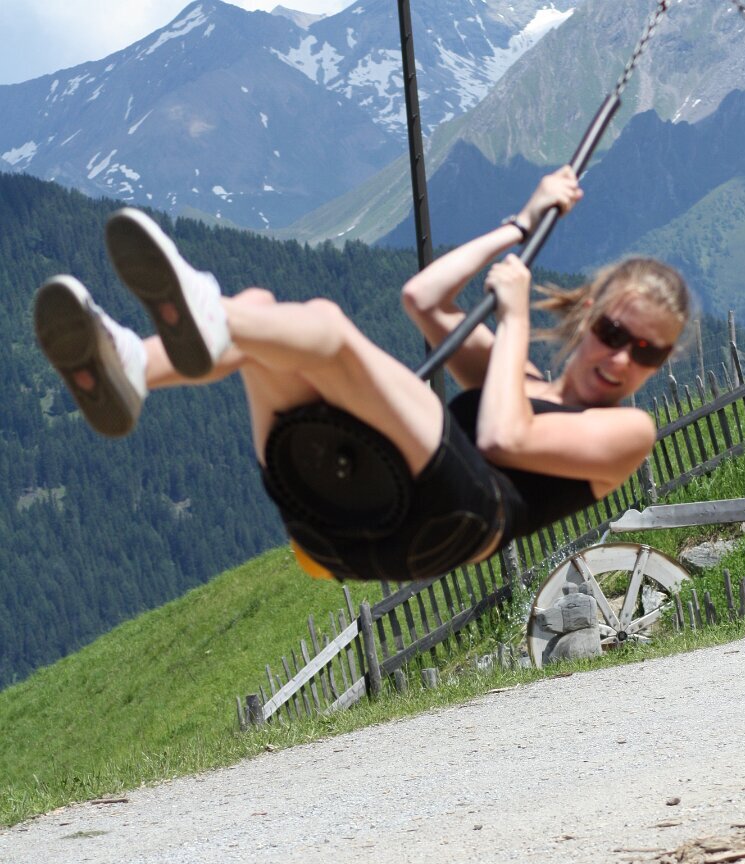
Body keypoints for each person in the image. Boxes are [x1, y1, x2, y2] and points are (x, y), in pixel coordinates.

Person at [33, 167, 690, 582]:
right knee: (261, 320)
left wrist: (513, 315)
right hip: (329, 525)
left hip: (450, 522)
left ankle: (202, 313)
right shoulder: (513, 374)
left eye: (647, 353)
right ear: (587, 315)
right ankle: (130, 366)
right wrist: (521, 223)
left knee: (322, 324)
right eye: (613, 334)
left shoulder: (628, 433)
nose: (621, 360)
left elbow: (503, 438)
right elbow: (423, 298)